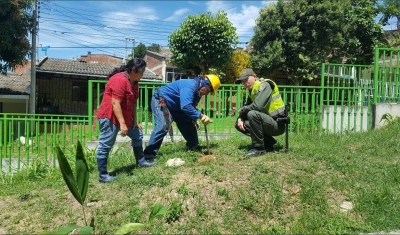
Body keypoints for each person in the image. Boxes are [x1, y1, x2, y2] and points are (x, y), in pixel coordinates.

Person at [96, 58, 155, 183]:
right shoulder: (119, 80)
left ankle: (141, 161)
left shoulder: (134, 81)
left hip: (126, 117)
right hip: (110, 117)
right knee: (105, 145)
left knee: (137, 134)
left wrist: (135, 120)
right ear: (133, 70)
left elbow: (133, 102)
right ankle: (103, 175)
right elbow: (115, 103)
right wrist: (122, 124)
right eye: (141, 72)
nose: (142, 75)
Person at [143, 74, 221, 160]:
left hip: (178, 106)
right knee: (163, 126)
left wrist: (194, 118)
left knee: (188, 123)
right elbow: (186, 106)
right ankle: (148, 155)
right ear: (205, 84)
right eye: (208, 91)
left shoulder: (198, 92)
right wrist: (201, 116)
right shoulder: (190, 86)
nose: (207, 94)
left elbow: (191, 105)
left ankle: (193, 147)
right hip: (162, 101)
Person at [235, 68, 286, 157]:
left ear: (254, 76)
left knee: (252, 114)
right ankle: (268, 142)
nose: (245, 83)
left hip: (277, 124)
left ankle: (259, 149)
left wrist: (243, 109)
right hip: (267, 122)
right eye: (243, 82)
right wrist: (240, 118)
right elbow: (247, 107)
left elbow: (257, 106)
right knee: (239, 124)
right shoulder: (252, 91)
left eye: (246, 79)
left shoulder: (265, 85)